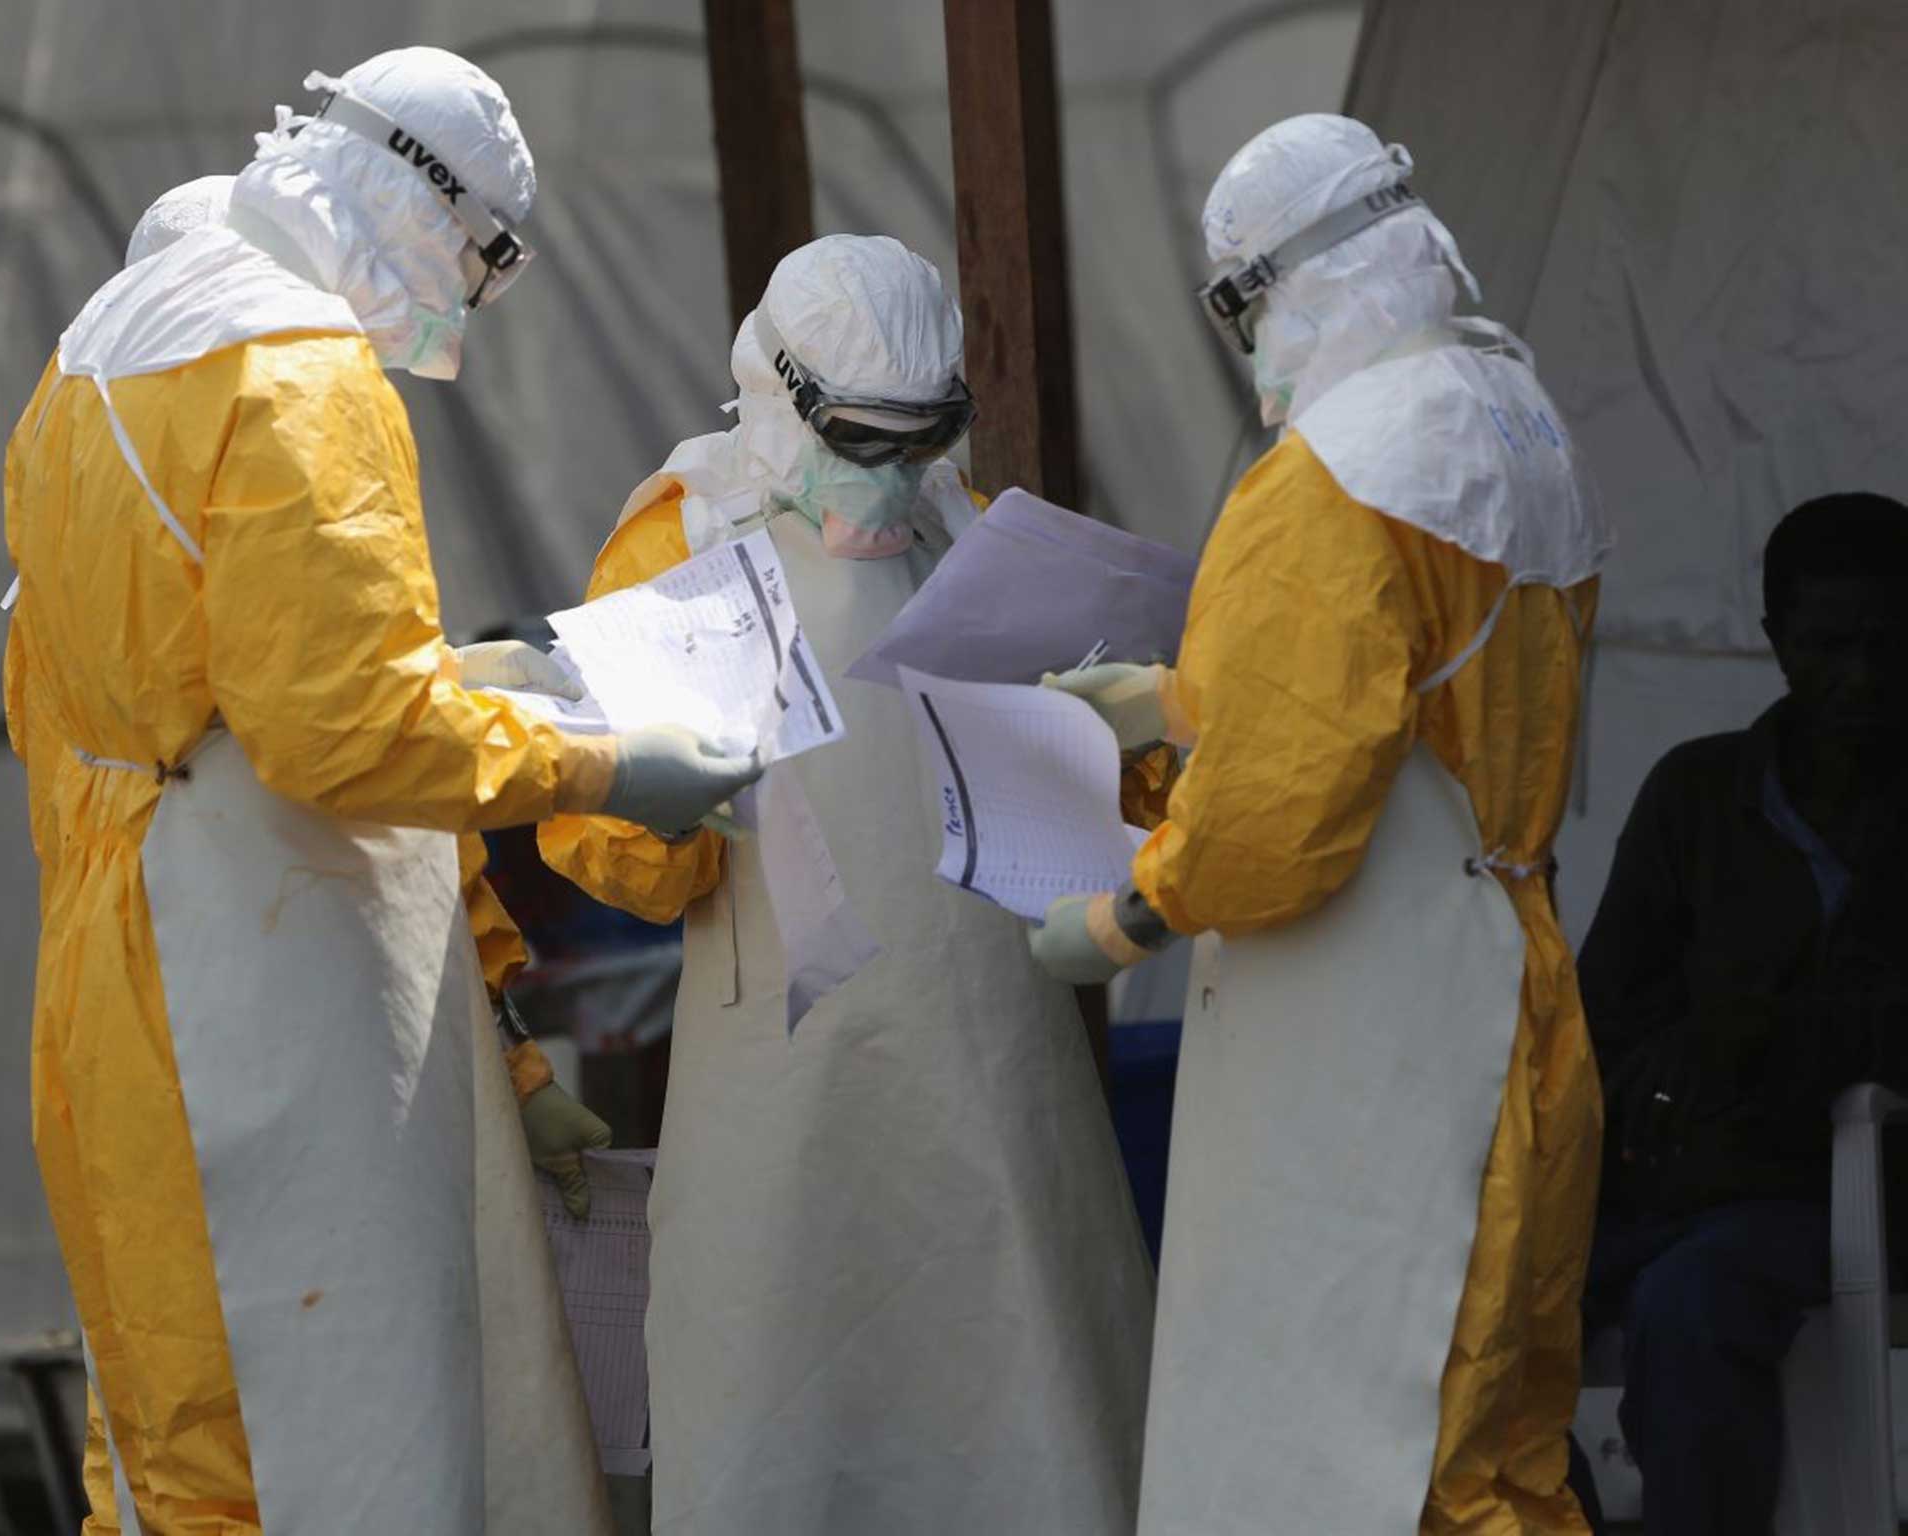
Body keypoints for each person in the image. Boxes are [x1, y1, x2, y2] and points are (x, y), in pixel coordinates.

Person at [2, 48, 758, 1534]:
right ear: (424, 209)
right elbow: (341, 736)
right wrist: (603, 760)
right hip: (258, 981)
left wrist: (449, 683)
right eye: (479, 262)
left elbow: (184, 668)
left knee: (169, 1427)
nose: (463, 309)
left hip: (115, 935)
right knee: (317, 1425)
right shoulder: (299, 373)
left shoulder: (110, 339)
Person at [1032, 114, 1613, 1533]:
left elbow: (1283, 814)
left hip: (1375, 1035)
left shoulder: (1336, 473)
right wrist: (1180, 700)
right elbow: (1408, 699)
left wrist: (1129, 913)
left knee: (1367, 1446)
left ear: (1275, 287)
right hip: (1512, 980)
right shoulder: (1512, 413)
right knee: (1497, 1440)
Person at [535, 233, 1156, 1536]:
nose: (888, 482)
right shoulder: (683, 536)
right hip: (784, 1065)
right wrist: (655, 799)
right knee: (783, 1385)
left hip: (993, 1055)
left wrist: (1130, 745)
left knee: (1025, 1377)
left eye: (917, 442)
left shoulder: (975, 533)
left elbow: (1069, 809)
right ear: (780, 393)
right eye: (863, 441)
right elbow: (626, 867)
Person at [122, 171, 617, 1218]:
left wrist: (516, 1065)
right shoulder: (123, 752)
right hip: (262, 1101)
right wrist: (610, 767)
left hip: (386, 1066)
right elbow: (352, 748)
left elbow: (419, 826)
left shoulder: (266, 516)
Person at [1577, 494, 1908, 1536]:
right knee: (1466, 1302)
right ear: (1772, 641)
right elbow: (1599, 1020)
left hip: (1866, 1192)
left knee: (1688, 1306)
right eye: (1823, 645)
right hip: (1686, 1178)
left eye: (1883, 643)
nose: (1856, 676)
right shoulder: (1696, 794)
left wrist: (1754, 1037)